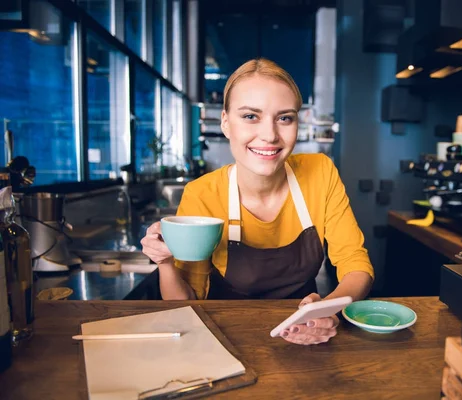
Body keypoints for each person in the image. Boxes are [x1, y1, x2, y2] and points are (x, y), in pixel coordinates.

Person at [141, 58, 374, 345]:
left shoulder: (320, 173)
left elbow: (356, 264)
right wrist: (164, 262)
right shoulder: (203, 194)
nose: (270, 135)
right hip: (225, 340)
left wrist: (325, 312)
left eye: (284, 118)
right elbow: (186, 301)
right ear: (225, 122)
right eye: (251, 116)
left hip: (307, 341)